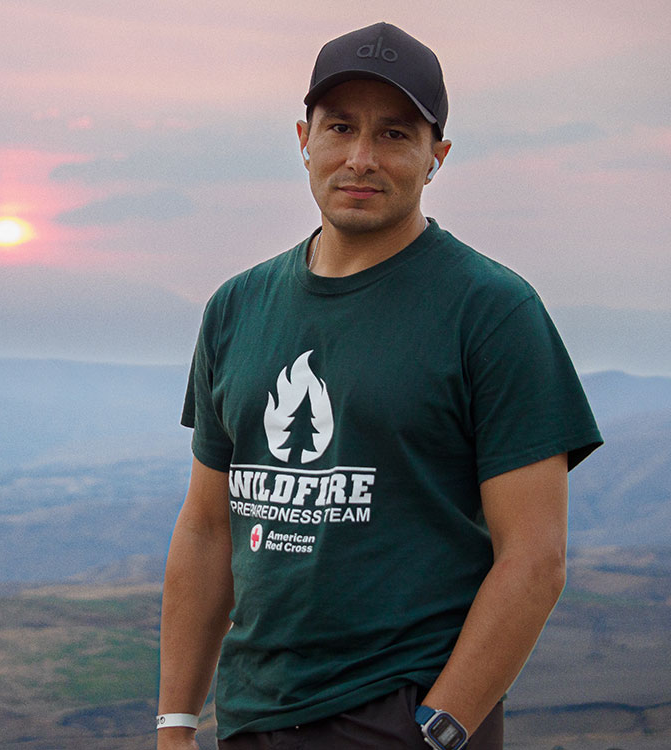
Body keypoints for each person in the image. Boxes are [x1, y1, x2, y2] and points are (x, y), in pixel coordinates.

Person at [157, 21, 602, 750]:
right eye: (340, 127)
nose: (361, 158)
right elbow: (207, 528)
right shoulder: (237, 307)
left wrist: (439, 728)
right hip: (251, 717)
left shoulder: (491, 311)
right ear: (304, 139)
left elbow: (534, 557)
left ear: (436, 158)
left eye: (395, 134)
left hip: (399, 712)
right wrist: (176, 722)